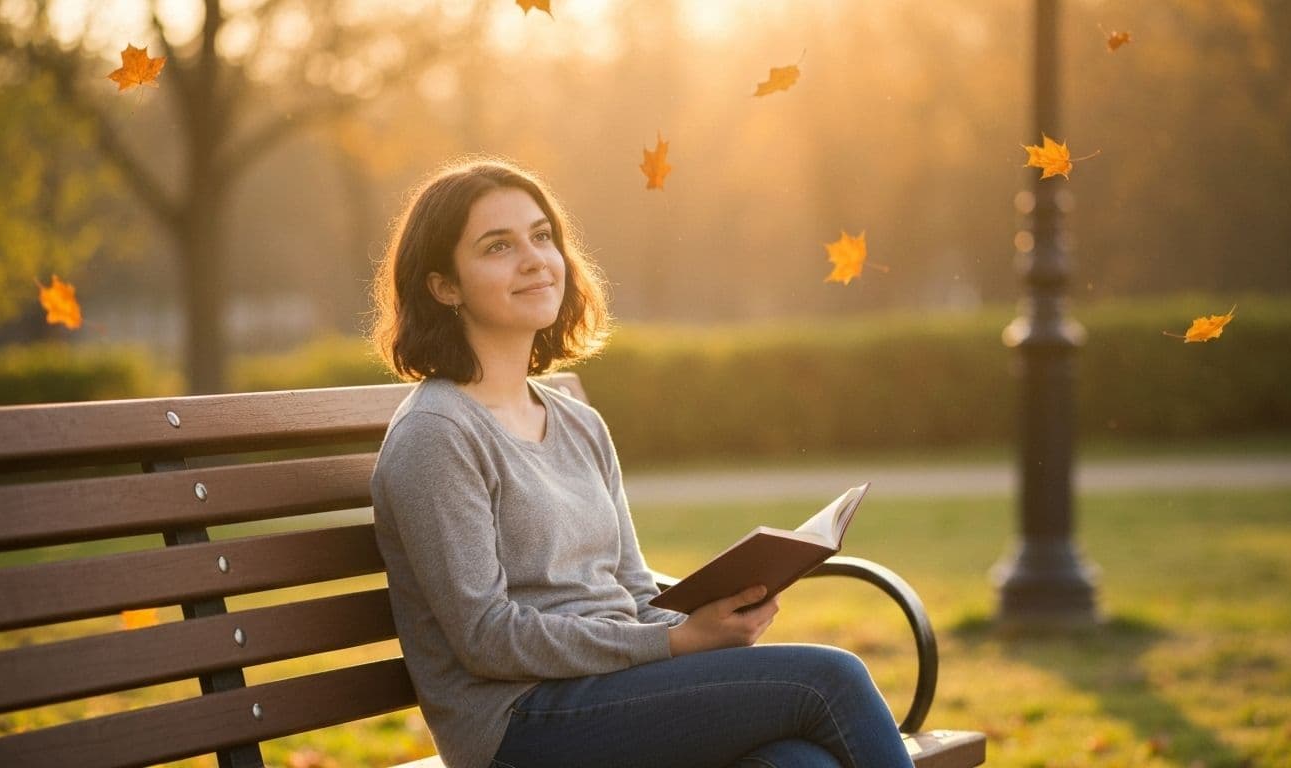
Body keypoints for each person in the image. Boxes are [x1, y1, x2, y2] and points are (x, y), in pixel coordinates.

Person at [368, 157, 913, 768]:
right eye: (498, 247)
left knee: (796, 765)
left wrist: (710, 617)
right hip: (518, 724)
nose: (534, 259)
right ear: (444, 286)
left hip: (618, 695)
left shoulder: (576, 422)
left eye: (542, 236)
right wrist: (673, 642)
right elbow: (486, 638)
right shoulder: (436, 435)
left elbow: (630, 586)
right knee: (829, 679)